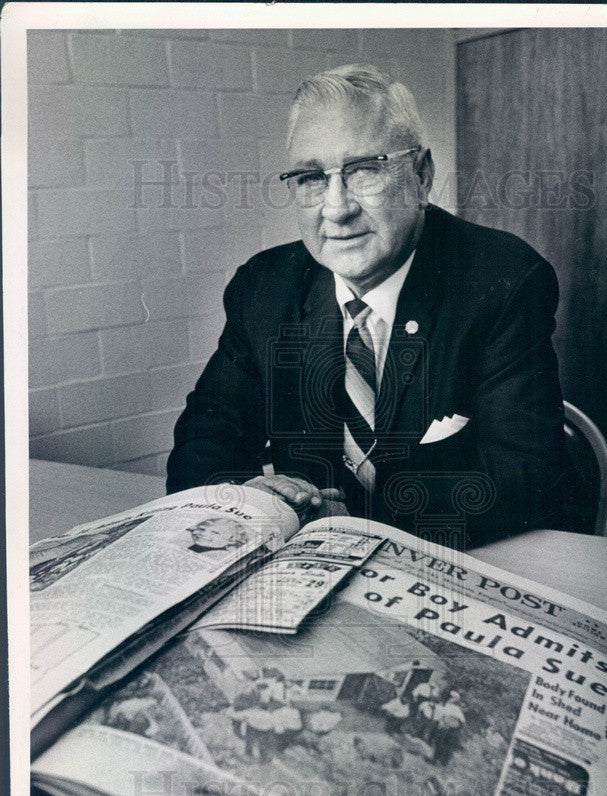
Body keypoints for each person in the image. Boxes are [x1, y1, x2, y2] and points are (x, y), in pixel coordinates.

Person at [167, 65, 570, 548]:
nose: (336, 209)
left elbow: (524, 477)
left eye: (364, 170)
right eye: (311, 178)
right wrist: (248, 497)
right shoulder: (263, 287)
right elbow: (204, 441)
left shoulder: (502, 280)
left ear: (421, 177)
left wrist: (357, 520)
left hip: (456, 560)